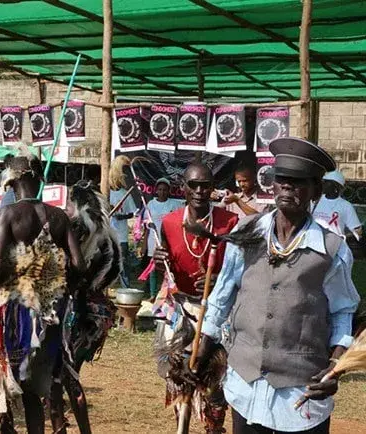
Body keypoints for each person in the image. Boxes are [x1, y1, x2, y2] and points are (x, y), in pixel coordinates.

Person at [197, 137, 360, 434]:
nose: (287, 187)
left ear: (316, 191)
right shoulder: (246, 233)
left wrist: (335, 367)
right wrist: (202, 347)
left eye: (298, 182)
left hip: (302, 395)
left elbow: (342, 313)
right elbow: (222, 294)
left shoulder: (331, 248)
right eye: (281, 179)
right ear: (272, 186)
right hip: (245, 386)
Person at [0, 153, 85, 434]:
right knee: (41, 386)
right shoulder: (58, 216)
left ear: (13, 179)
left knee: (14, 384)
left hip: (17, 312)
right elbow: (78, 264)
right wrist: (66, 286)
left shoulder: (8, 214)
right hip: (52, 311)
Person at [152, 162, 238, 434]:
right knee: (179, 378)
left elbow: (239, 270)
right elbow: (167, 269)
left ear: (213, 187)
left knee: (215, 381)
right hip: (181, 309)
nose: (200, 190)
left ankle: (213, 428)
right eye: (194, 185)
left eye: (206, 185)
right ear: (184, 188)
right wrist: (158, 260)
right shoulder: (168, 222)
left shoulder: (229, 222)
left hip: (218, 310)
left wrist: (216, 281)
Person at [59, 179, 121, 434]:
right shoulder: (106, 233)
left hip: (82, 312)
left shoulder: (80, 229)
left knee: (67, 375)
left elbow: (72, 271)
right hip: (99, 311)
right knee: (66, 374)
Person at [143, 178, 183, 301]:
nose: (162, 192)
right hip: (153, 240)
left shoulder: (174, 205)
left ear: (169, 191)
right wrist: (144, 244)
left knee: (166, 268)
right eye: (160, 189)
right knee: (153, 268)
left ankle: (166, 293)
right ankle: (153, 294)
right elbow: (146, 226)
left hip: (168, 241)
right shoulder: (150, 205)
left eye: (165, 190)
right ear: (156, 191)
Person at [108, 156, 137, 287]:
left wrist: (121, 217)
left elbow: (131, 213)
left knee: (123, 263)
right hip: (108, 234)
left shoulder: (125, 193)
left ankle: (126, 288)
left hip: (122, 235)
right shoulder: (106, 192)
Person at [313, 170, 362, 240]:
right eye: (323, 181)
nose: (323, 184)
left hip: (333, 246)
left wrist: (340, 237)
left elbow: (358, 231)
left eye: (327, 182)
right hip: (314, 242)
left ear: (336, 186)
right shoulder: (315, 200)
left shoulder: (346, 206)